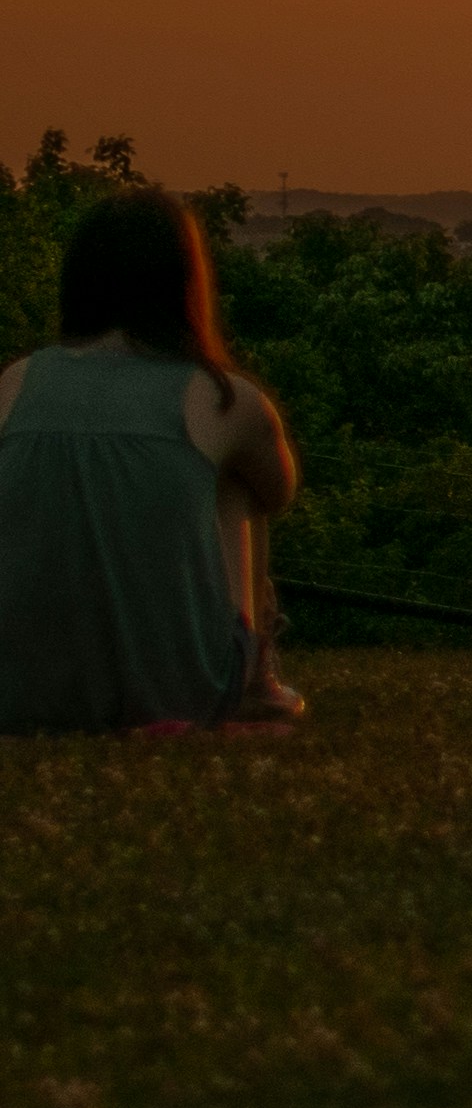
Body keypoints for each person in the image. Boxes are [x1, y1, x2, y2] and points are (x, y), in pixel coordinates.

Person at [2, 189, 304, 732]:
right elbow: (278, 491)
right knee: (239, 487)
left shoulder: (15, 383)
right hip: (181, 696)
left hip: (18, 698)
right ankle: (258, 679)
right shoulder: (222, 399)